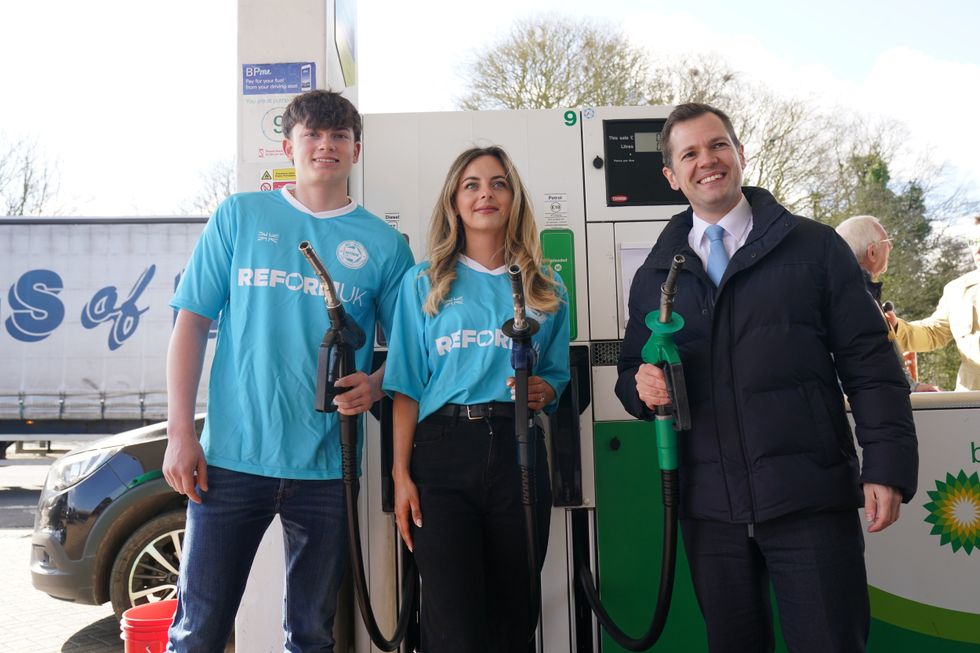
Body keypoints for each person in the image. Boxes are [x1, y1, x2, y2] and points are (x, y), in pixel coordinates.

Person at [616, 103, 918, 653]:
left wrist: (888, 466)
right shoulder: (658, 270)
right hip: (710, 510)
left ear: (739, 152)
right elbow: (630, 371)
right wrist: (641, 386)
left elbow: (872, 366)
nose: (706, 161)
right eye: (689, 154)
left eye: (718, 146)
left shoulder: (813, 247)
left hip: (809, 501)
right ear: (671, 175)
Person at [163, 89, 413, 652]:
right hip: (228, 460)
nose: (326, 146)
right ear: (288, 146)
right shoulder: (240, 216)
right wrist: (181, 432)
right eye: (313, 135)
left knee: (312, 635)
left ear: (356, 149)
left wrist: (375, 384)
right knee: (197, 631)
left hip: (328, 468)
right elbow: (190, 323)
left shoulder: (385, 244)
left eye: (339, 137)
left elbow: (409, 349)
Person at [383, 146, 570, 653]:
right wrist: (401, 476)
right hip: (442, 454)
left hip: (520, 453)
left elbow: (555, 375)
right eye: (471, 184)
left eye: (498, 183)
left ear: (514, 199)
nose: (485, 192)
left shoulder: (546, 287)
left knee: (514, 616)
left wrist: (546, 388)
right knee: (452, 623)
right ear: (454, 200)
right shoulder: (422, 283)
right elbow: (404, 387)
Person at [835, 215, 939, 392]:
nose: (890, 247)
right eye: (887, 241)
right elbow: (873, 362)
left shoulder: (837, 291)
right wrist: (912, 387)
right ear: (872, 252)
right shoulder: (858, 299)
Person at [887, 216, 980, 390]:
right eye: (973, 241)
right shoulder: (956, 289)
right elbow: (934, 332)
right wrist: (896, 327)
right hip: (971, 404)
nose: (977, 249)